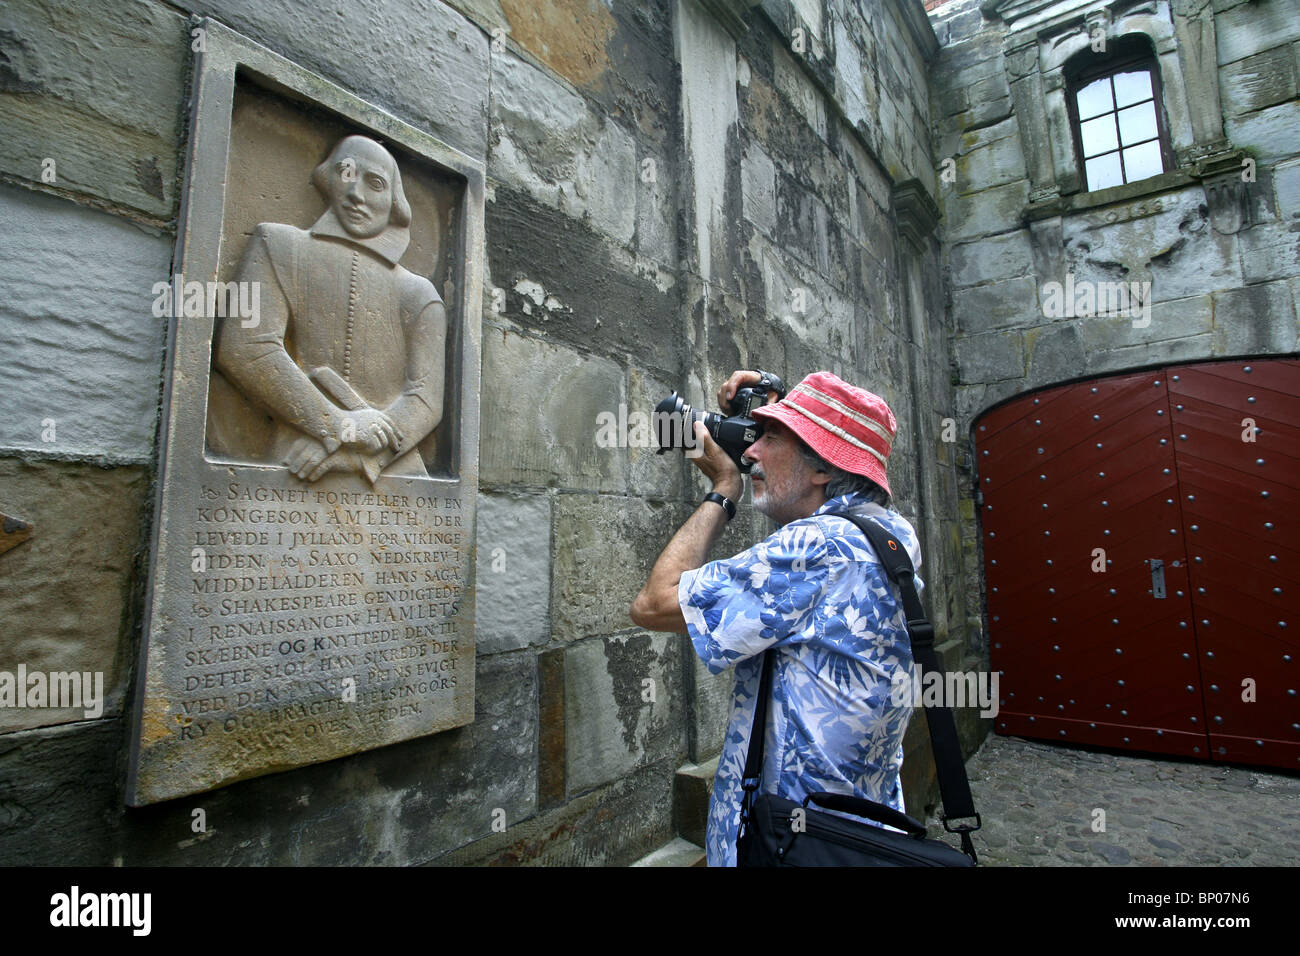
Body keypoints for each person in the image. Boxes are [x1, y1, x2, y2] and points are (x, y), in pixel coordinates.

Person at [630, 369, 922, 866]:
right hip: (858, 831)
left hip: (790, 839)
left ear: (823, 470)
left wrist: (723, 488)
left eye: (769, 439)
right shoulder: (888, 532)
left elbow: (654, 604)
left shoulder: (816, 547)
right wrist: (772, 392)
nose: (749, 454)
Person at [214, 134, 446, 484]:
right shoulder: (277, 245)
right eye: (347, 174)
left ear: (395, 201)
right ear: (328, 179)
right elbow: (247, 348)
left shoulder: (418, 292)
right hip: (288, 466)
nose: (357, 194)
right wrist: (338, 426)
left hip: (390, 476)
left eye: (376, 184)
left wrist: (358, 456)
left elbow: (426, 400)